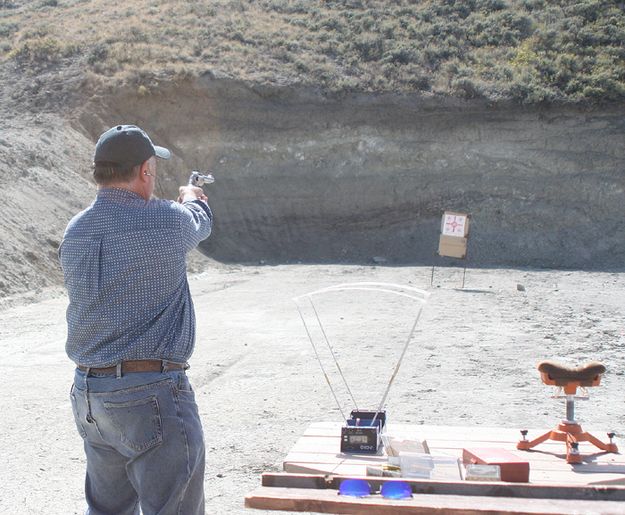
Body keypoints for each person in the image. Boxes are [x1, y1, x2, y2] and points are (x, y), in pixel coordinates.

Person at [59, 124, 213, 515]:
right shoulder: (167, 220)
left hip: (91, 394)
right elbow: (200, 221)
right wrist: (192, 196)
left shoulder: (75, 230)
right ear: (146, 171)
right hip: (150, 393)